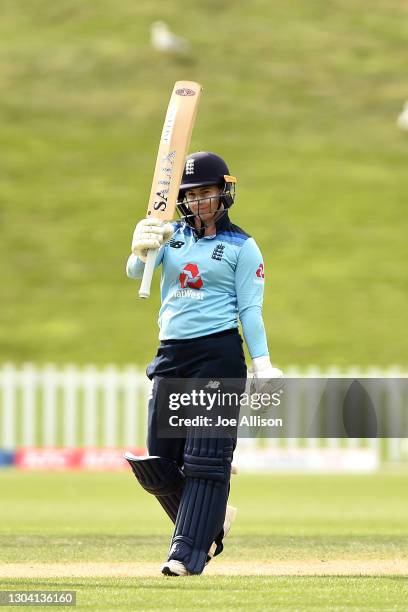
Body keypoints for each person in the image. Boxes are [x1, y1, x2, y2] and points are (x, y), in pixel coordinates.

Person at [125, 151, 283, 576]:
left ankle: (186, 554)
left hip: (218, 355)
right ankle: (213, 521)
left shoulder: (242, 247)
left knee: (207, 461)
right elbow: (133, 270)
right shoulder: (169, 234)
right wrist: (141, 244)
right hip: (172, 354)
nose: (200, 202)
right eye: (192, 195)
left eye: (208, 193)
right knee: (158, 463)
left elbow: (251, 311)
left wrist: (263, 364)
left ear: (223, 194)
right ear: (183, 199)